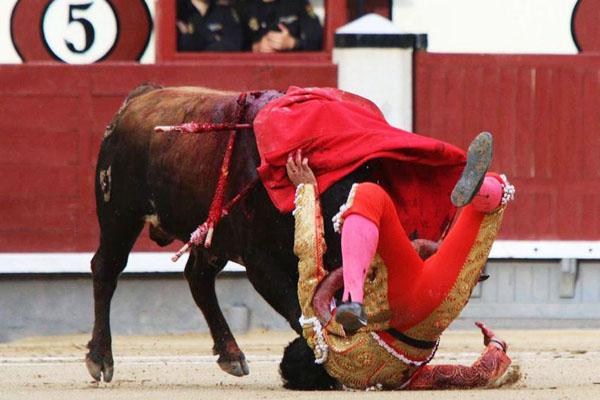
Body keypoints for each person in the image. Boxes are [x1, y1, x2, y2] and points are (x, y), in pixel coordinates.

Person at [282, 132, 516, 390]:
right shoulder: (318, 334)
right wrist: (306, 189)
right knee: (369, 196)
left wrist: (496, 346)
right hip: (391, 298)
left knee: (494, 202)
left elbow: (471, 376)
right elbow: (309, 249)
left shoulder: (391, 380)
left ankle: (485, 190)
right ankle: (353, 295)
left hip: (437, 305)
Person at [237, 0, 323, 52]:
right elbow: (229, 47)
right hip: (253, 71)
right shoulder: (243, 6)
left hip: (291, 70)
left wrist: (292, 43)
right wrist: (256, 47)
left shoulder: (298, 3)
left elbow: (318, 41)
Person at [177, 0, 243, 51]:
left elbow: (233, 45)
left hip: (216, 66)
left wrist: (198, 43)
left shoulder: (225, 12)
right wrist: (214, 40)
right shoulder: (178, 12)